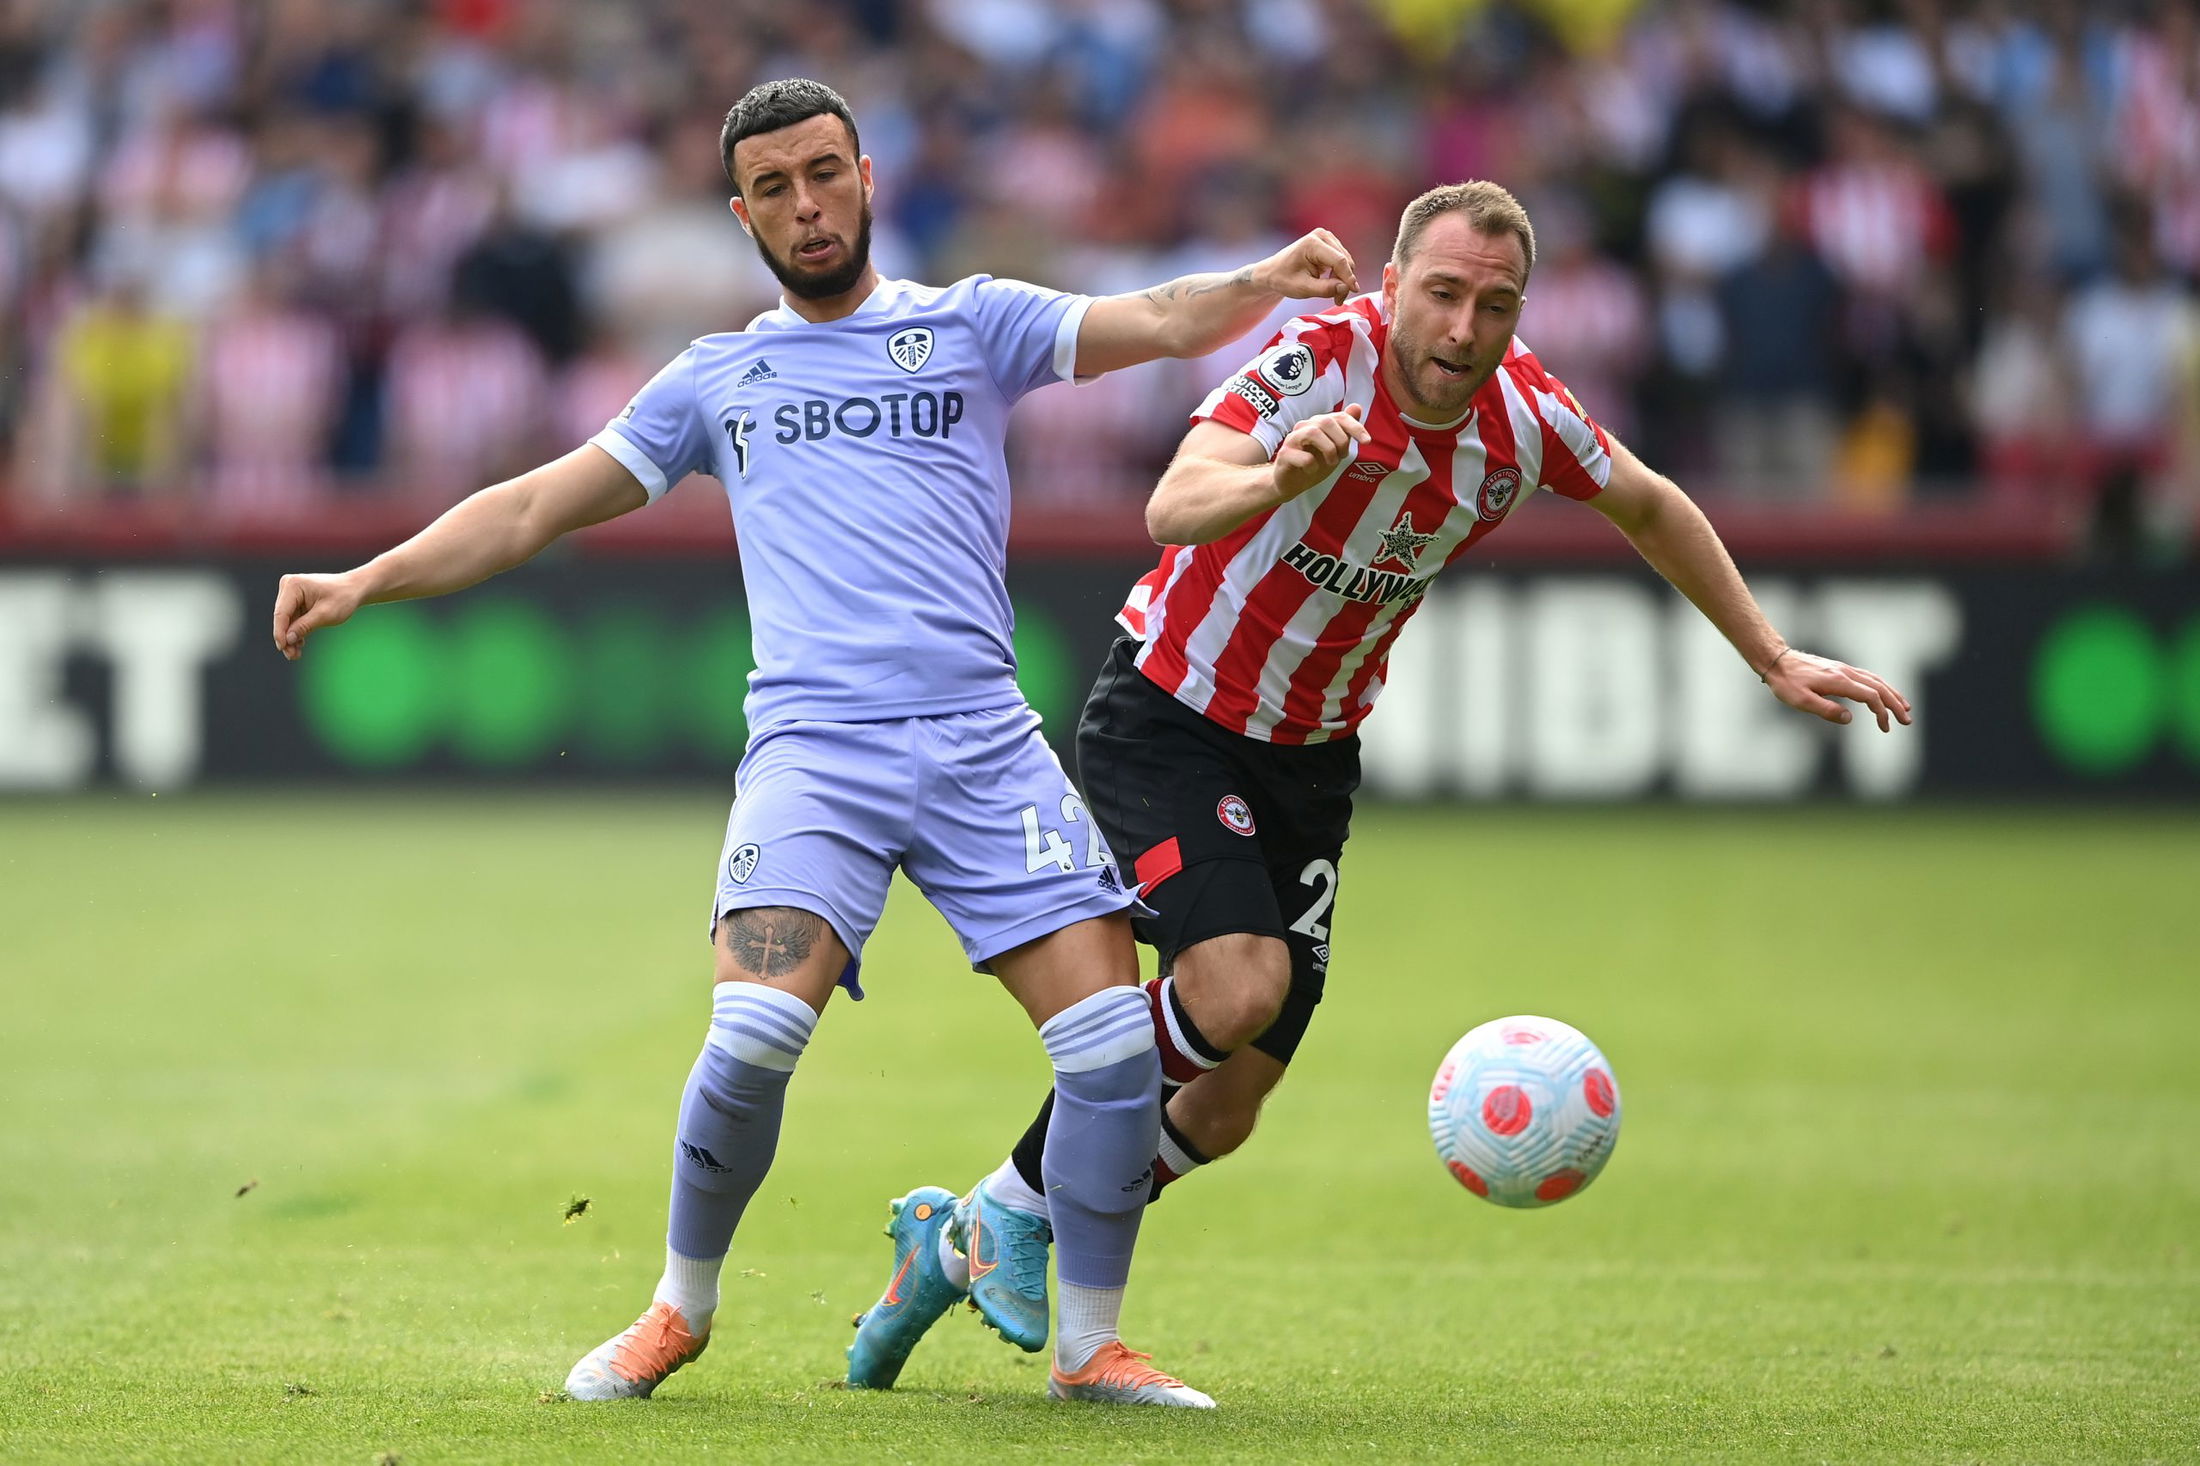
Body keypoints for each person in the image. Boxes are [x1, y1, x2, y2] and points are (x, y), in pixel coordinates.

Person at [268, 78, 1362, 1411]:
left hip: (982, 747)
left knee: (1113, 1052)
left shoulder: (975, 322)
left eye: (825, 174)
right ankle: (678, 1307)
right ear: (742, 214)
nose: (807, 204)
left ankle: (1088, 1344)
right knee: (748, 1038)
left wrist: (1268, 276)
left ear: (865, 179)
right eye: (776, 187)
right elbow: (534, 504)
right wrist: (366, 579)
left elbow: (1154, 320)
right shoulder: (719, 377)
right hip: (816, 755)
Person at [850, 180, 1914, 1382]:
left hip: (1312, 759)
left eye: (1495, 305)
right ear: (1391, 284)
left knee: (1222, 1105)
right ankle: (1066, 1306)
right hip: (1170, 716)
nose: (1463, 329)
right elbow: (1171, 497)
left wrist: (1770, 653)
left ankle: (962, 1237)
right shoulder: (1317, 363)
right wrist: (1274, 478)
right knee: (1235, 985)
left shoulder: (1526, 417)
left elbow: (1651, 504)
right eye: (1444, 294)